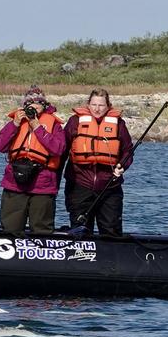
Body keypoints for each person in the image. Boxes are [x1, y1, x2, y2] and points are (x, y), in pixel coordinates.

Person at [0, 85, 66, 235]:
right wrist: (14, 125)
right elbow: (0, 146)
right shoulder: (17, 122)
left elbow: (59, 149)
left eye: (38, 103)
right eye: (30, 103)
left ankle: (42, 253)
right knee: (11, 227)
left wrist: (37, 127)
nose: (34, 106)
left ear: (44, 105)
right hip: (15, 182)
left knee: (42, 229)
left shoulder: (54, 125)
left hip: (43, 183)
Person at [62, 89, 134, 235]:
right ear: (88, 104)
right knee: (80, 230)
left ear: (108, 106)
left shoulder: (119, 124)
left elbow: (128, 150)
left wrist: (122, 166)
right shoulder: (75, 122)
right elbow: (62, 150)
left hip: (110, 186)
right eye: (94, 104)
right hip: (79, 185)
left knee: (111, 230)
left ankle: (113, 256)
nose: (97, 108)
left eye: (101, 105)